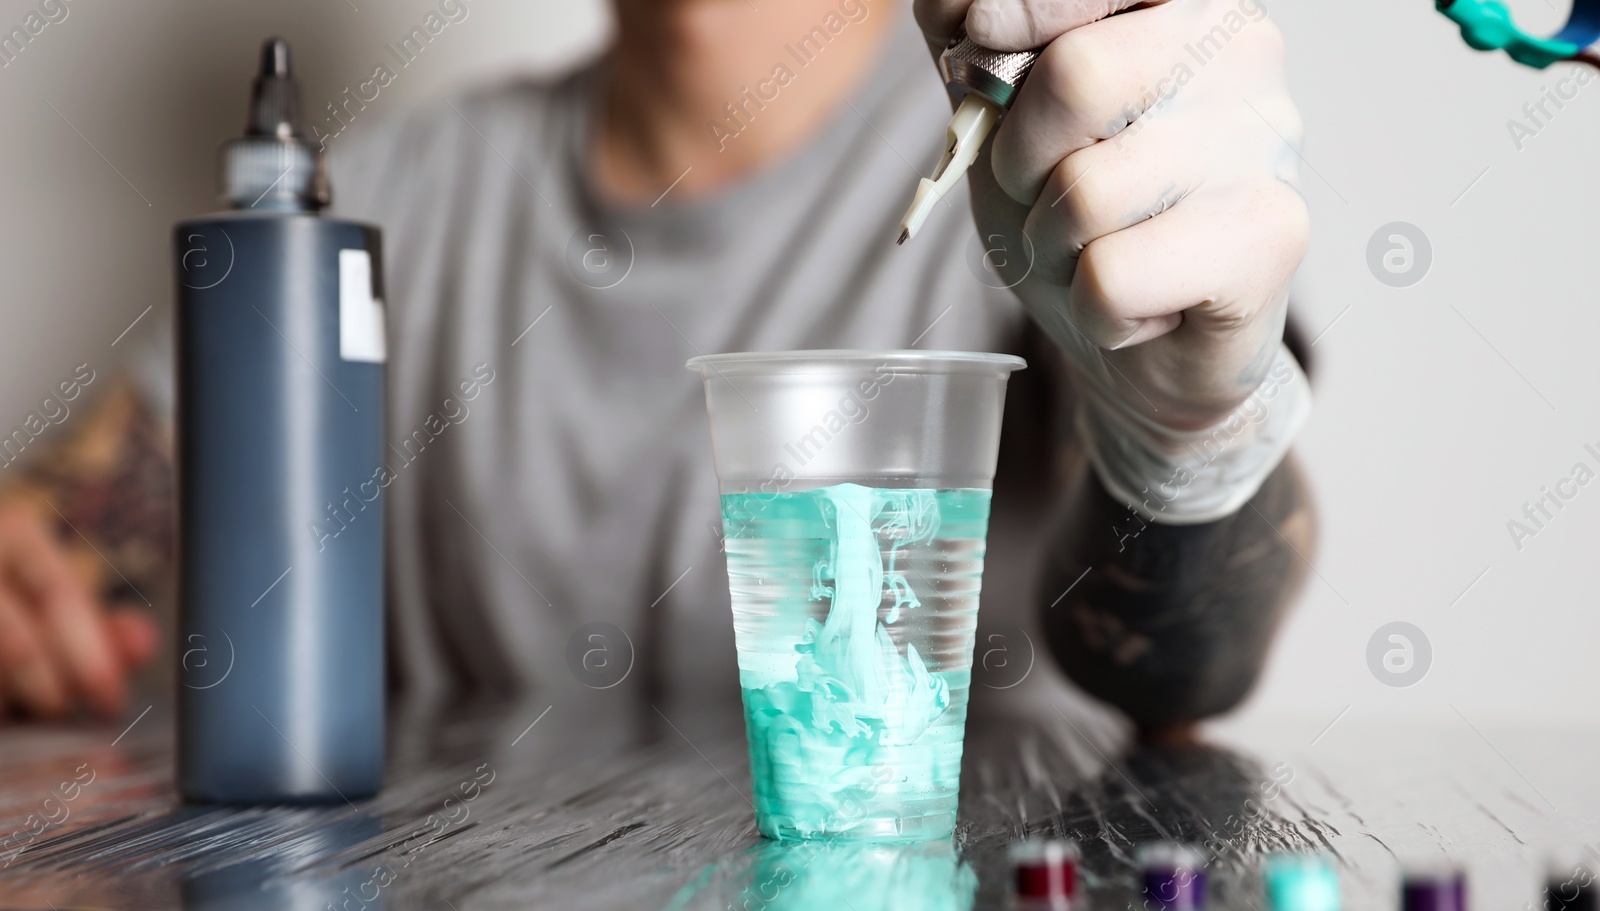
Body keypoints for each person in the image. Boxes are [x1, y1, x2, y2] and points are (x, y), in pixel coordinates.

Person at [0, 0, 1313, 740]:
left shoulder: (1058, 171)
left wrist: (1190, 442)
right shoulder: (390, 196)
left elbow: (1187, 670)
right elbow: (62, 547)